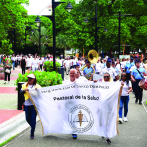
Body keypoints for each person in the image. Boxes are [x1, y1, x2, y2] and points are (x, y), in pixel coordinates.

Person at [20, 74, 41, 139]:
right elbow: (20, 92)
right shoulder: (24, 86)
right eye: (28, 78)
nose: (29, 79)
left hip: (34, 105)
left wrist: (38, 90)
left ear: (34, 79)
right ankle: (33, 126)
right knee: (27, 118)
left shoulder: (37, 86)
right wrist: (24, 90)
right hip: (27, 104)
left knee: (33, 118)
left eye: (31, 78)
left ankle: (32, 133)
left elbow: (42, 93)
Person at [63, 69, 77, 139]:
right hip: (67, 103)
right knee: (67, 117)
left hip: (75, 103)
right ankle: (69, 128)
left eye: (73, 73)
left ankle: (74, 132)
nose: (71, 74)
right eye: (71, 73)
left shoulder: (79, 83)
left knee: (74, 117)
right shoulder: (65, 82)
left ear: (76, 74)